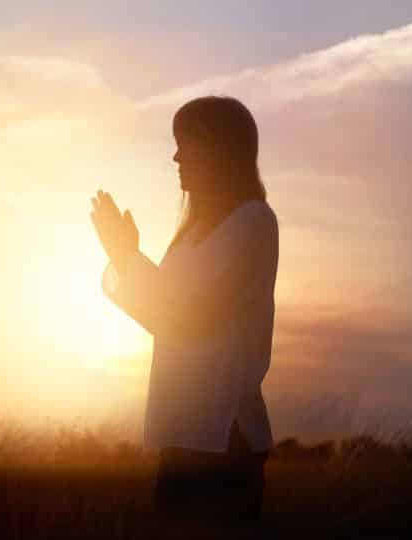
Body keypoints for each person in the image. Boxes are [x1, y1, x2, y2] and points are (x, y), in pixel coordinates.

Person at [89, 96, 278, 525]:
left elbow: (187, 315)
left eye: (184, 143)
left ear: (218, 148)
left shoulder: (253, 221)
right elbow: (164, 318)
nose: (175, 156)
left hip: (222, 437)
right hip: (185, 434)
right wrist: (124, 257)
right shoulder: (192, 236)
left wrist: (128, 257)